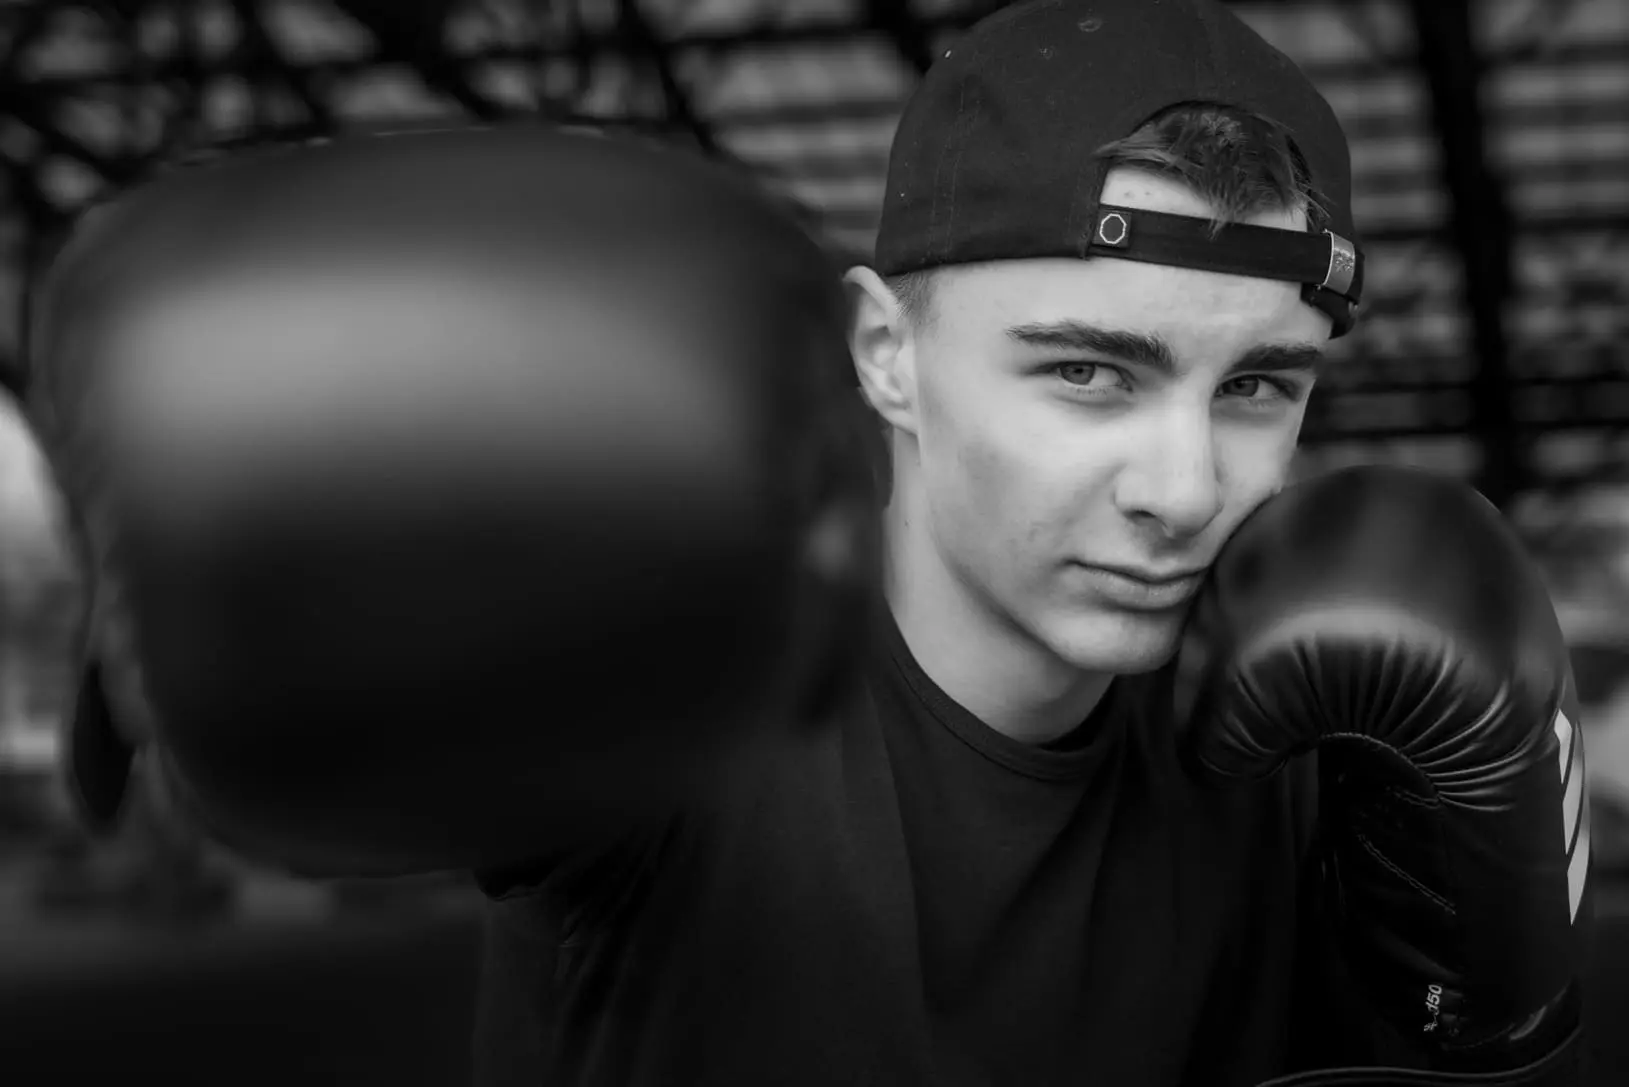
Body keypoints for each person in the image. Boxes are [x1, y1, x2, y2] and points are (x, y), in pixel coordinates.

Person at [20, 1, 1588, 1085]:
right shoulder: (688, 663)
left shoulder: (1312, 721)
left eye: (1258, 386)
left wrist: (1476, 982)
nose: (1183, 488)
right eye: (1085, 371)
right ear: (886, 355)